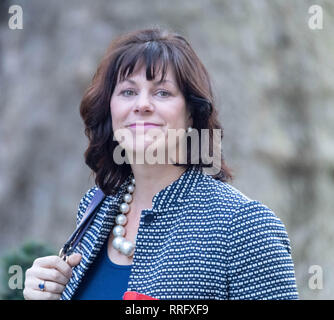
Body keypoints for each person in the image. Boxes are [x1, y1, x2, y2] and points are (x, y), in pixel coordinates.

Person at [23, 27, 298, 300]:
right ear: (110, 109)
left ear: (192, 113)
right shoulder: (95, 208)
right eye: (128, 92)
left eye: (162, 93)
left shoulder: (244, 226)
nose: (142, 105)